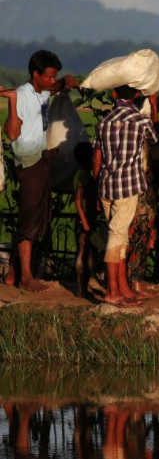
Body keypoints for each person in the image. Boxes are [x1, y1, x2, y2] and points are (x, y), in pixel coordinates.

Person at [1, 49, 79, 292]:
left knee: (36, 219)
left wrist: (64, 82)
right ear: (35, 74)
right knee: (29, 222)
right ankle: (25, 276)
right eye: (47, 76)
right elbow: (12, 133)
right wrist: (12, 103)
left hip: (40, 162)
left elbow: (53, 88)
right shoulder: (23, 95)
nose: (50, 81)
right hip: (28, 164)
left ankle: (13, 274)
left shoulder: (41, 93)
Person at [92, 85, 159, 307]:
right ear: (137, 95)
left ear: (113, 94)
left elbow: (97, 159)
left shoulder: (104, 123)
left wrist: (96, 187)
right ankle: (112, 290)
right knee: (117, 235)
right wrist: (155, 104)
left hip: (106, 184)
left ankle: (122, 287)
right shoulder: (141, 121)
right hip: (128, 186)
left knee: (120, 236)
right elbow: (154, 138)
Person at [72, 143, 97, 298]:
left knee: (86, 252)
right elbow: (78, 200)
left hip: (85, 218)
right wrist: (84, 221)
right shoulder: (83, 175)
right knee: (83, 252)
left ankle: (83, 287)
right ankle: (81, 289)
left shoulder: (79, 173)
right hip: (85, 218)